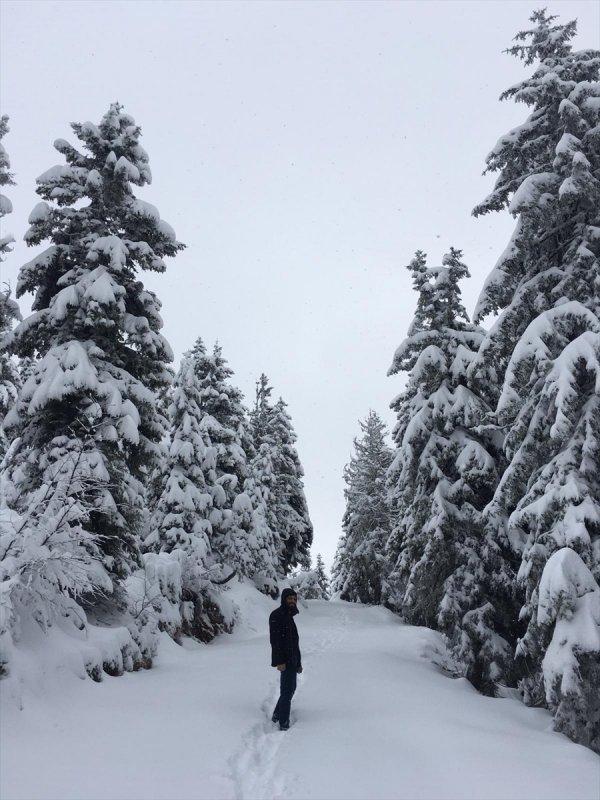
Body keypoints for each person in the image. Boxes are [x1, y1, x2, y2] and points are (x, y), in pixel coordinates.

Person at [269, 588, 303, 731]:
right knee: (287, 691)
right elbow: (275, 641)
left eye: (294, 599)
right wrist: (279, 661)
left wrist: (299, 663)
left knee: (291, 689)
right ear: (284, 599)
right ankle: (283, 722)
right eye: (290, 599)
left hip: (293, 659)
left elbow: (295, 643)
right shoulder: (277, 615)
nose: (292, 601)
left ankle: (277, 713)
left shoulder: (289, 616)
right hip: (285, 660)